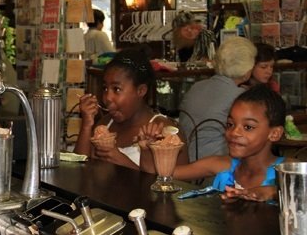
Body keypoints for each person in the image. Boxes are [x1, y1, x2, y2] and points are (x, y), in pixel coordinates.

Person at [139, 85, 287, 202]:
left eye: (248, 127)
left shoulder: (289, 171)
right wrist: (146, 149)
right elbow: (162, 175)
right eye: (230, 124)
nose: (234, 132)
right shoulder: (221, 165)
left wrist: (275, 192)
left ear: (274, 133)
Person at [74, 47, 188, 169]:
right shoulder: (106, 124)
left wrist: (123, 162)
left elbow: (180, 184)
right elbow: (78, 170)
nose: (107, 97)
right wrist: (86, 125)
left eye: (116, 89)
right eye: (105, 88)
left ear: (141, 91)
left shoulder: (164, 130)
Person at [178, 36, 256, 162]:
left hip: (185, 160)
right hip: (218, 165)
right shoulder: (240, 98)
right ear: (247, 71)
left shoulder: (196, 87)